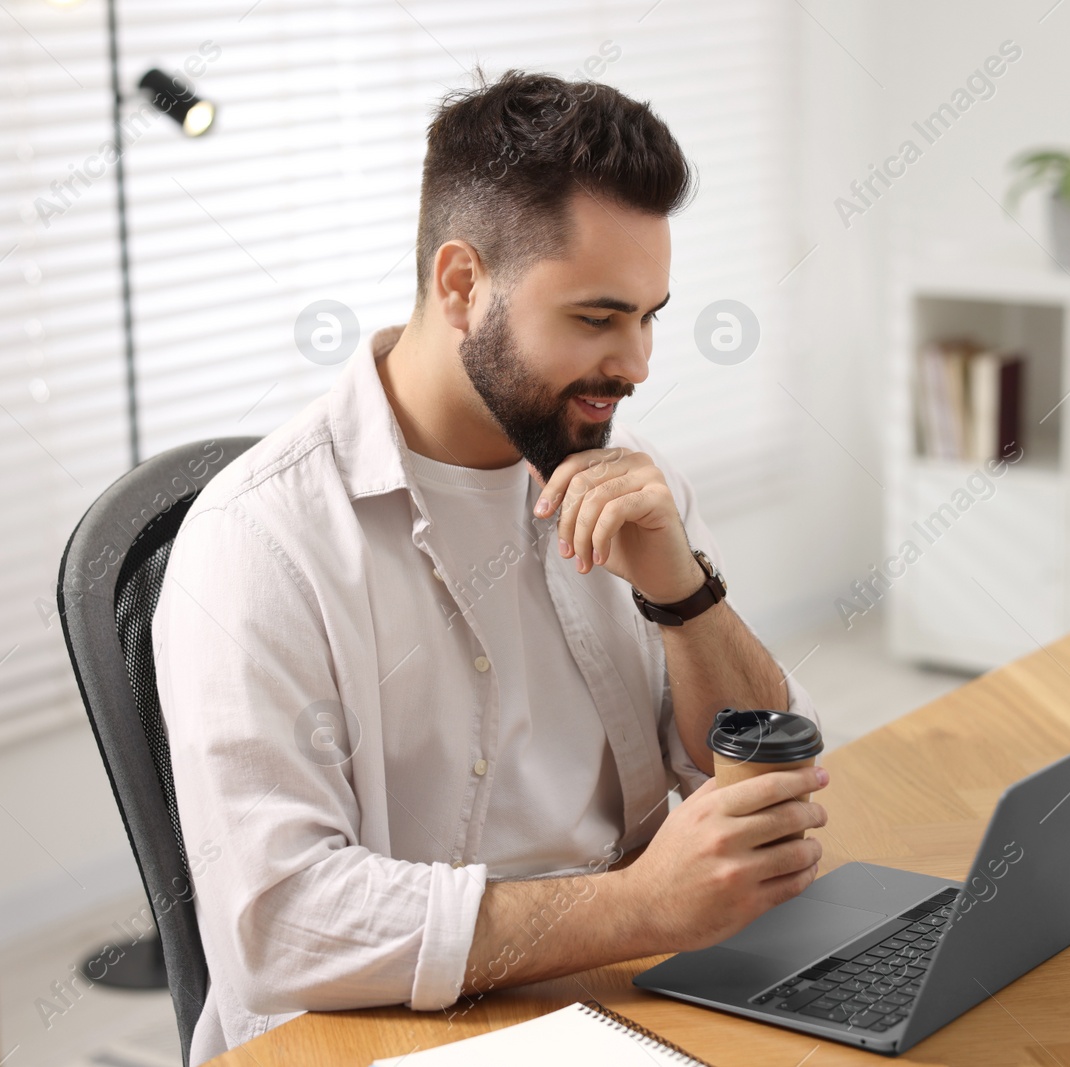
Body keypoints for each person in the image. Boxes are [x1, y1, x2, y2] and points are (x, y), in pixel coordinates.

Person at [153, 66, 829, 1062]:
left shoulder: (623, 478)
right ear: (462, 286)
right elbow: (284, 921)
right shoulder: (261, 542)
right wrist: (637, 906)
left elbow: (763, 775)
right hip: (378, 1034)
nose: (637, 362)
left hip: (629, 1000)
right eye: (598, 318)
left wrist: (682, 590)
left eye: (650, 316)